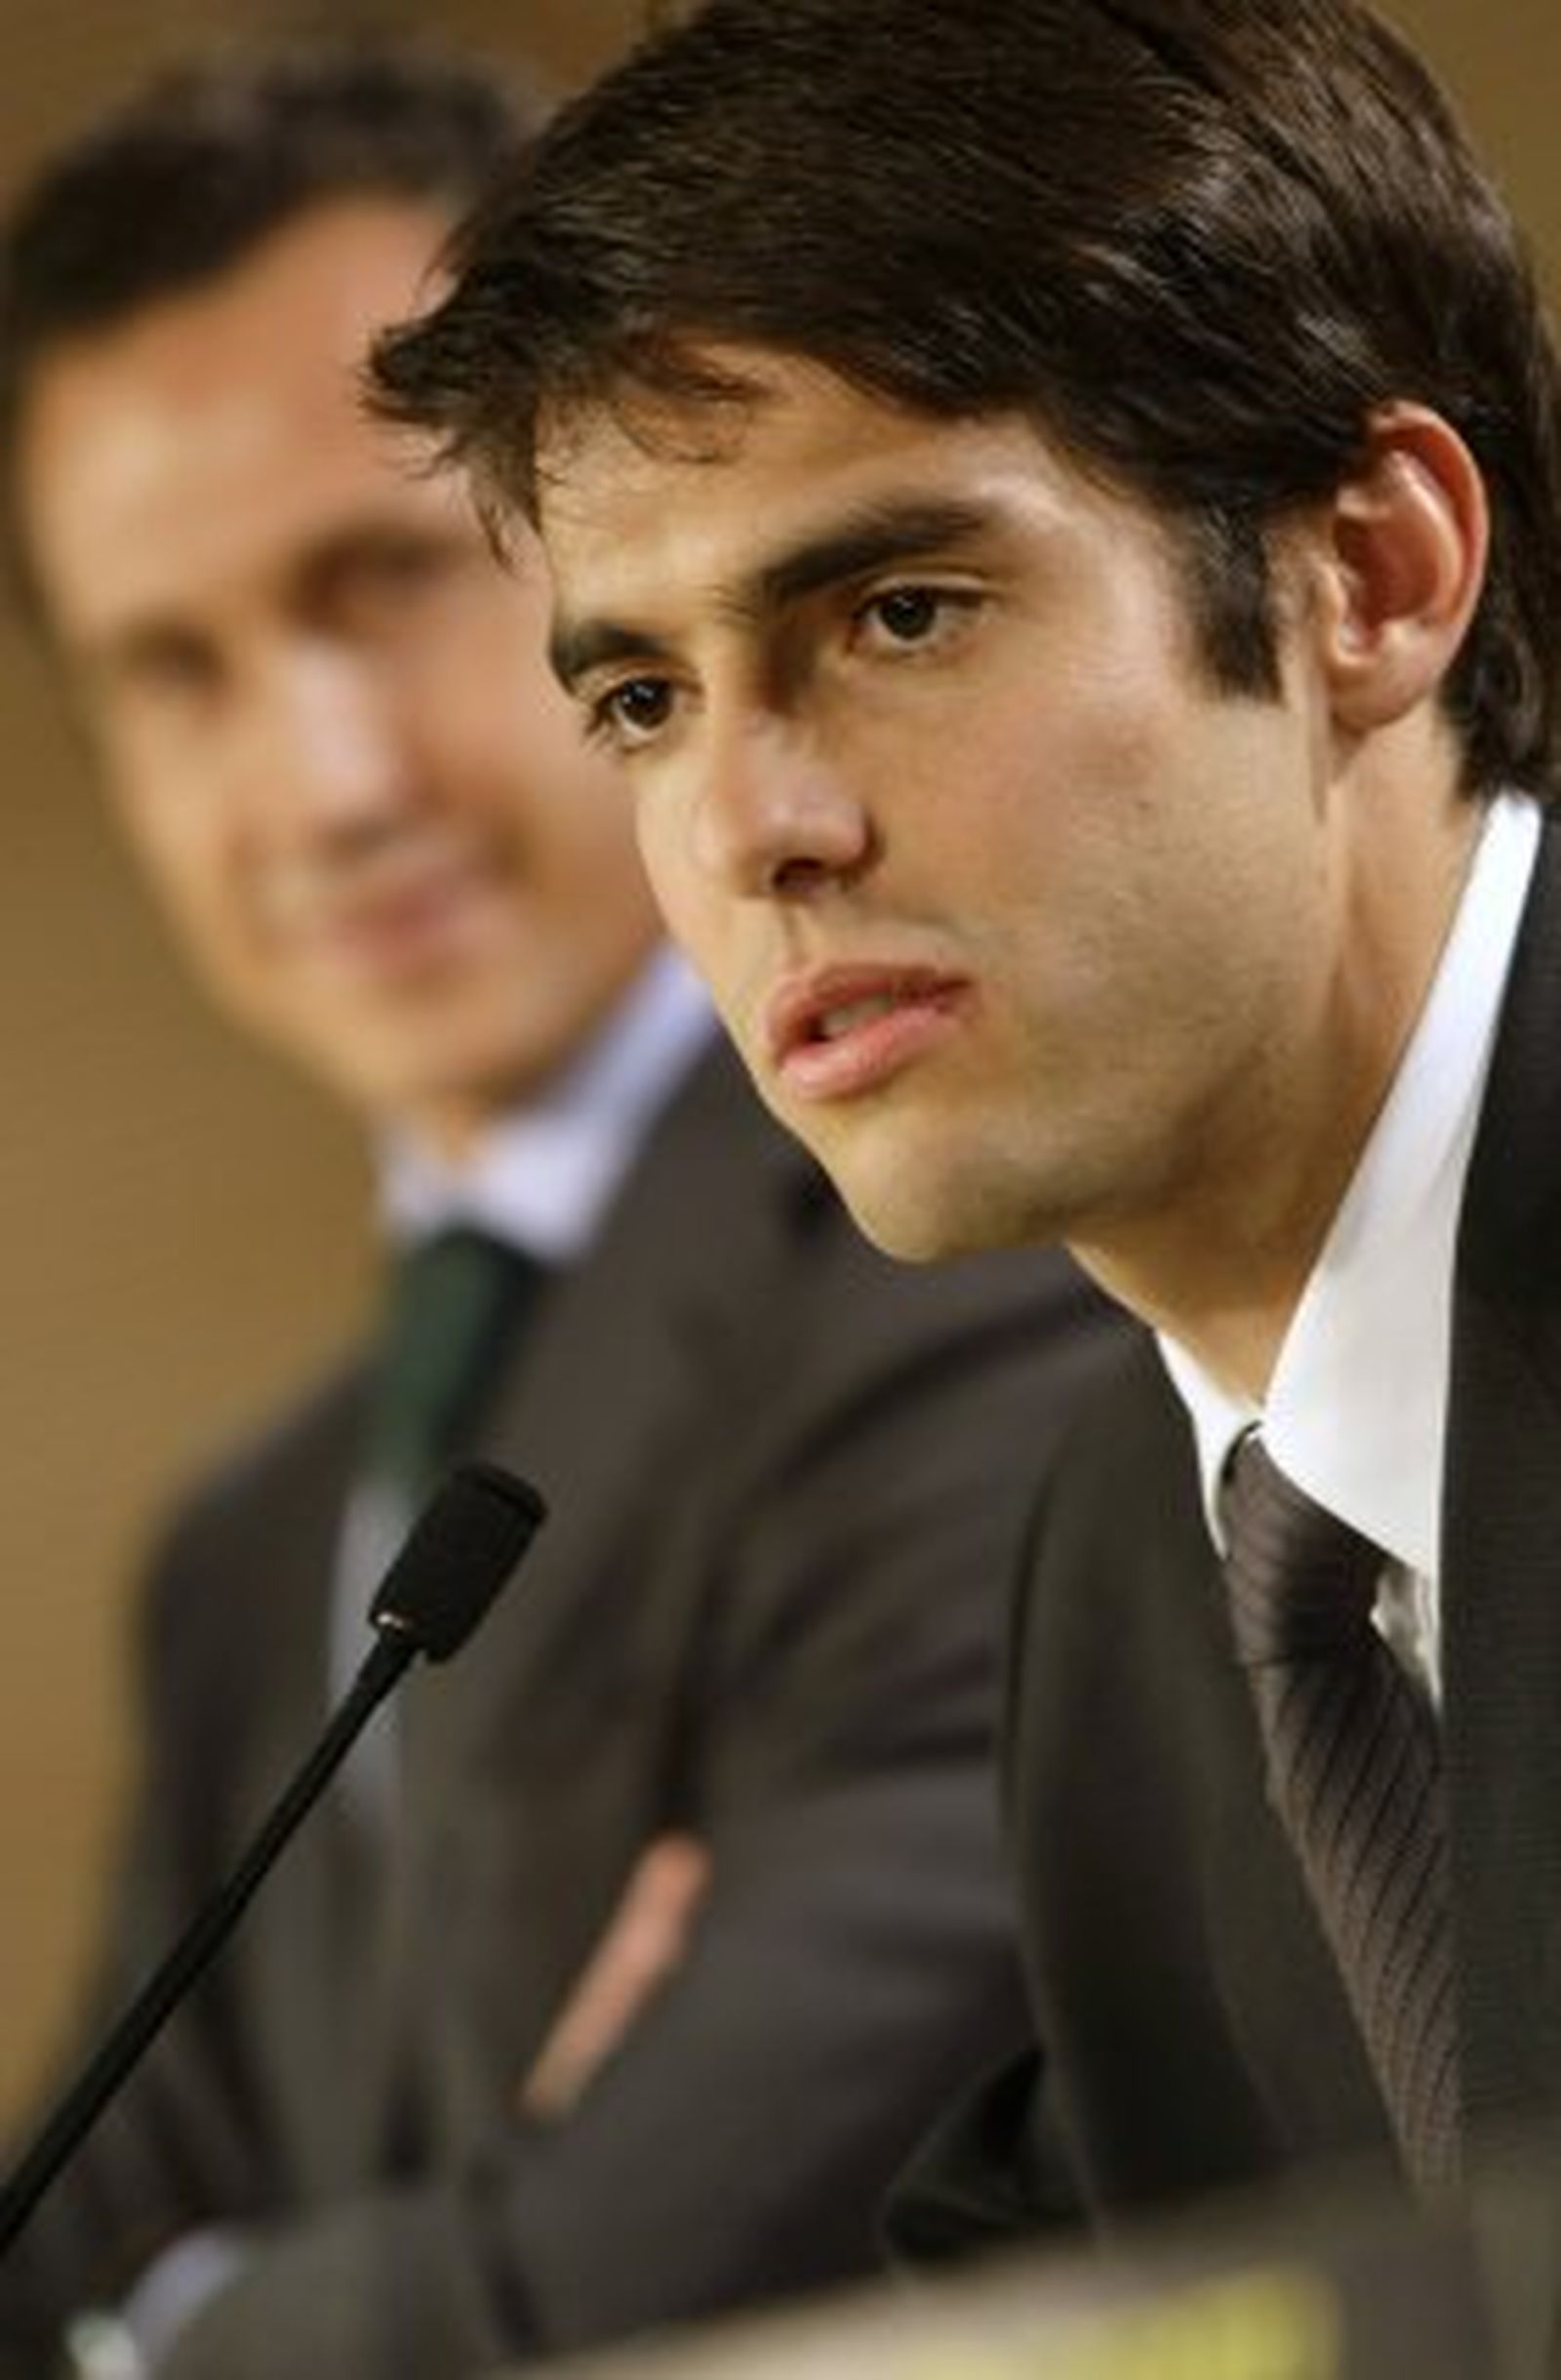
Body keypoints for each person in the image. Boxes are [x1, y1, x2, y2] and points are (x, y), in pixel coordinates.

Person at [371, 0, 1561, 2264]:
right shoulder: (1134, 1561)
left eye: (898, 612)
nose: (747, 828)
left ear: (1372, 573)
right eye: (641, 699)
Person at [0, 37, 1124, 2379]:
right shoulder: (251, 1546)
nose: (317, 783)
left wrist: (186, 2322)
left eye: (379, 582)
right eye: (174, 669)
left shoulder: (1008, 1249)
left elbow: (658, 2284)